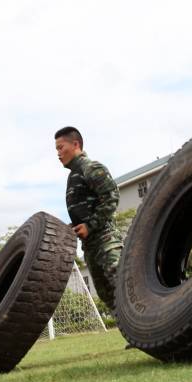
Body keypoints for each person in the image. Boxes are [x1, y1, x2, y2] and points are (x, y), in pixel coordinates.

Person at [55, 126, 123, 310]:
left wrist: (90, 226)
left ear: (75, 144)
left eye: (61, 148)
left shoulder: (91, 167)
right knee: (108, 295)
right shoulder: (73, 176)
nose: (58, 153)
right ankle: (135, 338)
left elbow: (111, 197)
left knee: (124, 287)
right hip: (90, 246)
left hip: (106, 241)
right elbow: (84, 211)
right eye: (56, 150)